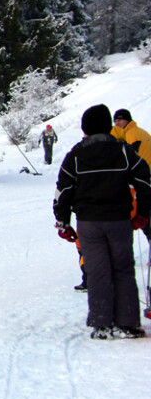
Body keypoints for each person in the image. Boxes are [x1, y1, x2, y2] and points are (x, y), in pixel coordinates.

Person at [53, 104, 150, 339]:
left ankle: (102, 324)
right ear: (108, 127)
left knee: (97, 271)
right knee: (123, 269)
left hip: (89, 223)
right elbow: (144, 181)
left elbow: (63, 189)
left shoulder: (76, 155)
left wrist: (63, 221)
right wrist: (143, 213)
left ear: (85, 128)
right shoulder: (124, 151)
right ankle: (128, 323)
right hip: (119, 220)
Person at [112, 108, 151, 243]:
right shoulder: (141, 132)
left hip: (144, 180)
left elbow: (128, 161)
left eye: (120, 120)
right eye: (115, 121)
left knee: (143, 217)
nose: (117, 124)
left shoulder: (130, 135)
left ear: (127, 120)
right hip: (147, 177)